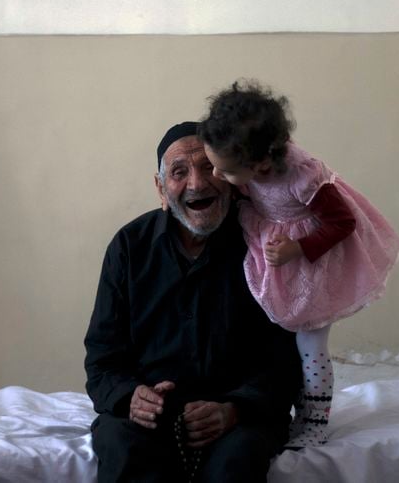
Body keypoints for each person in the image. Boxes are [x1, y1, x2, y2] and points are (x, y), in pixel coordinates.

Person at [84, 122, 301, 482]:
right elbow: (103, 358)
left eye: (208, 168)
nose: (197, 184)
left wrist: (233, 409)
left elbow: (286, 361)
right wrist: (132, 397)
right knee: (122, 448)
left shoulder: (266, 246)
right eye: (179, 172)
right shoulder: (128, 247)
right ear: (160, 189)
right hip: (147, 420)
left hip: (238, 417)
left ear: (231, 179)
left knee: (236, 461)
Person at [198, 80, 399, 448]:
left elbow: (343, 222)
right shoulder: (249, 162)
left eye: (224, 171)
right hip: (272, 254)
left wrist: (298, 248)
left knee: (311, 343)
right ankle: (290, 407)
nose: (216, 177)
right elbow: (244, 190)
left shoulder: (303, 177)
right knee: (277, 341)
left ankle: (317, 420)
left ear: (260, 164)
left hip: (311, 265)